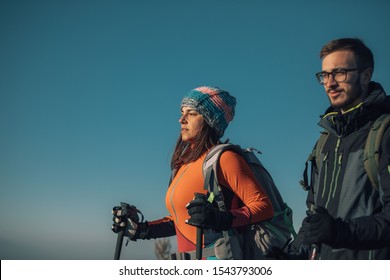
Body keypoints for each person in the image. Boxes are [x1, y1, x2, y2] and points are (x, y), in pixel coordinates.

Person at [111, 86, 274, 259]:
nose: (182, 119)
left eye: (192, 113)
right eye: (182, 112)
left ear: (210, 120)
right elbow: (182, 220)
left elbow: (264, 207)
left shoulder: (225, 158)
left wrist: (221, 219)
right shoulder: (181, 166)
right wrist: (142, 230)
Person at [288, 38, 390, 259]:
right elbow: (314, 216)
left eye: (340, 73)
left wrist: (339, 231)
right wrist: (290, 256)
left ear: (365, 75)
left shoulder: (384, 132)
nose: (330, 83)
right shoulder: (326, 141)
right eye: (325, 75)